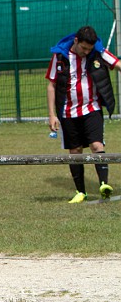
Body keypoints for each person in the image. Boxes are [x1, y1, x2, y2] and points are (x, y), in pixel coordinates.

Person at [47, 25, 119, 204]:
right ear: (76, 41)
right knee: (75, 151)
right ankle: (81, 192)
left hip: (91, 109)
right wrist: (52, 115)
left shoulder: (98, 51)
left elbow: (117, 63)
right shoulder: (60, 56)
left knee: (96, 145)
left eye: (89, 49)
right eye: (84, 48)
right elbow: (51, 85)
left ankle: (104, 185)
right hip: (67, 112)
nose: (86, 52)